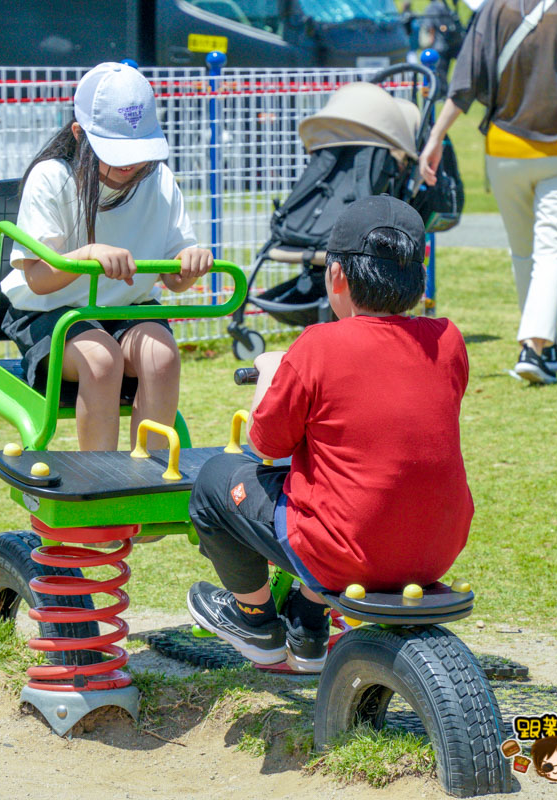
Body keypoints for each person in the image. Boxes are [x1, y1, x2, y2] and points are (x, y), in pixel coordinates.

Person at [186, 196, 474, 672]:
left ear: (337, 276)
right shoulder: (448, 339)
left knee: (218, 480)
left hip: (347, 551)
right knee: (344, 487)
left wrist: (272, 372)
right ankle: (308, 618)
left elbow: (267, 445)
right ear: (418, 273)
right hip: (436, 549)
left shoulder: (318, 345)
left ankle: (254, 620)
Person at [3, 62, 212, 452]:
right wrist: (87, 255)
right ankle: (102, 488)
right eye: (115, 152)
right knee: (101, 359)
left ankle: (146, 481)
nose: (129, 164)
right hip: (50, 309)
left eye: (137, 150)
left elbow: (174, 277)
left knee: (161, 357)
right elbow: (36, 278)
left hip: (126, 307)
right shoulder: (52, 177)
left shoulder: (159, 180)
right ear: (80, 135)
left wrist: (190, 264)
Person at [419, 0, 557, 384]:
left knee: (524, 252)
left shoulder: (492, 9)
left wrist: (436, 136)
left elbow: (465, 83)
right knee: (552, 250)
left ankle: (547, 345)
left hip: (505, 149)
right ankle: (533, 347)